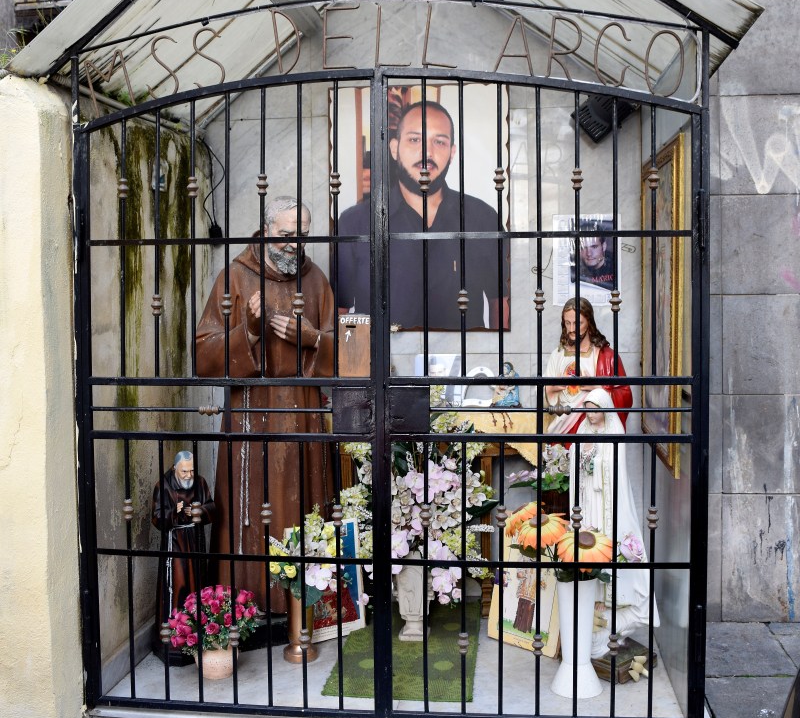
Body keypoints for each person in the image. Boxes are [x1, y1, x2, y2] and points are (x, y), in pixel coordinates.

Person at [196, 196, 334, 615]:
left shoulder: (315, 280)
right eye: (286, 234)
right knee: (253, 512)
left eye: (303, 235)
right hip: (252, 415)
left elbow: (344, 352)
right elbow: (203, 356)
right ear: (266, 228)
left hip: (303, 415)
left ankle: (303, 609)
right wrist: (250, 332)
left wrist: (311, 338)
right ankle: (245, 607)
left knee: (302, 506)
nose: (295, 244)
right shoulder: (235, 277)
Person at [336, 101, 509, 329]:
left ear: (452, 152)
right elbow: (340, 311)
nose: (427, 152)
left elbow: (500, 302)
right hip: (382, 353)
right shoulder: (356, 222)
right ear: (394, 148)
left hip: (464, 352)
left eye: (439, 141)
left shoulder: (483, 219)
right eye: (414, 140)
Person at [569, 389, 660, 658]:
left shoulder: (614, 433)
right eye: (587, 410)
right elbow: (576, 460)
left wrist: (594, 458)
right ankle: (594, 602)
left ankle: (611, 605)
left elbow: (612, 469)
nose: (590, 415)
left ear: (605, 410)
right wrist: (581, 454)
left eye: (595, 411)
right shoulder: (583, 431)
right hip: (587, 502)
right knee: (588, 548)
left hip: (606, 503)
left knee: (608, 546)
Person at [151, 451, 215, 662]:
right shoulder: (163, 486)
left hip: (195, 539)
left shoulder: (200, 482)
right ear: (174, 469)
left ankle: (197, 631)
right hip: (175, 542)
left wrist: (199, 511)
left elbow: (212, 507)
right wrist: (174, 511)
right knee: (177, 586)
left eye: (191, 471)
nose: (189, 475)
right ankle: (175, 635)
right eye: (184, 471)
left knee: (197, 584)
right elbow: (157, 517)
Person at [545, 297, 632, 438]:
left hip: (593, 430)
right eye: (568, 323)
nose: (571, 329)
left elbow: (625, 396)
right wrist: (551, 388)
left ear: (589, 323)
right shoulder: (558, 354)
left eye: (578, 323)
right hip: (563, 428)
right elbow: (543, 395)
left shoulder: (606, 356)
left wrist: (598, 389)